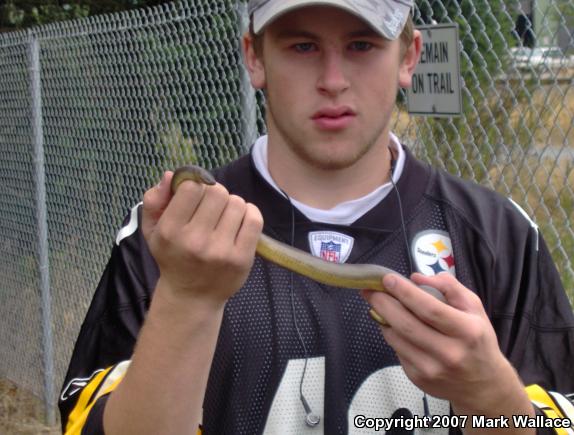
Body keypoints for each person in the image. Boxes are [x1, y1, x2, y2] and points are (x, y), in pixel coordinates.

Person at [59, 1, 574, 434]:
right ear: (254, 58)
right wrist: (187, 299)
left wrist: (495, 399)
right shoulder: (173, 237)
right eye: (302, 47)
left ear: (408, 56)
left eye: (362, 45)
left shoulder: (498, 234)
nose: (332, 81)